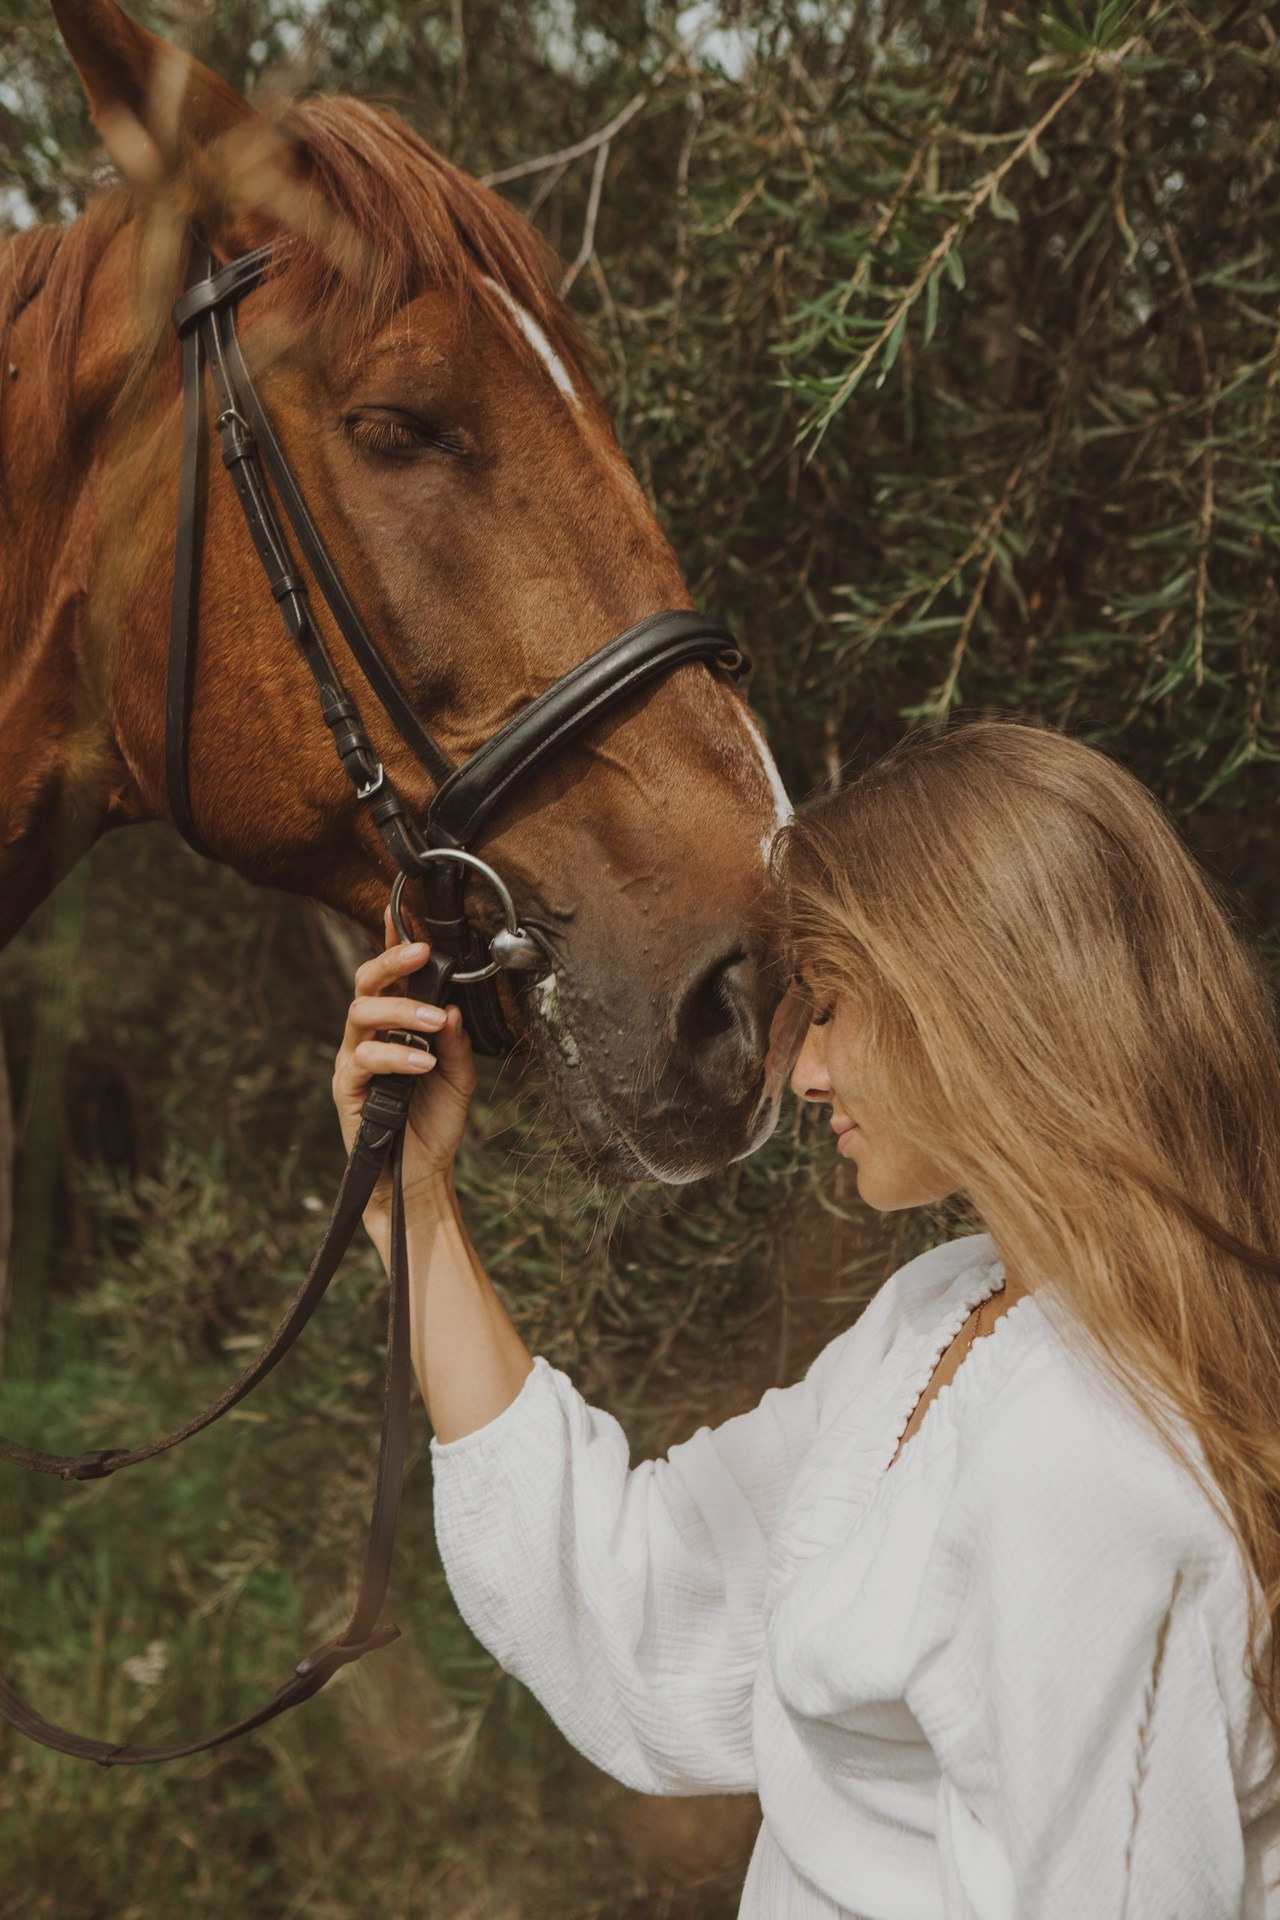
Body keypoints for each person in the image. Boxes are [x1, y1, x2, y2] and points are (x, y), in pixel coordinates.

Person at [331, 716, 1280, 1917]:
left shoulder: (1089, 1463)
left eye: (828, 1006)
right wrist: (416, 1210)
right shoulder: (946, 1309)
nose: (805, 1071)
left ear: (982, 1004)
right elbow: (643, 1603)